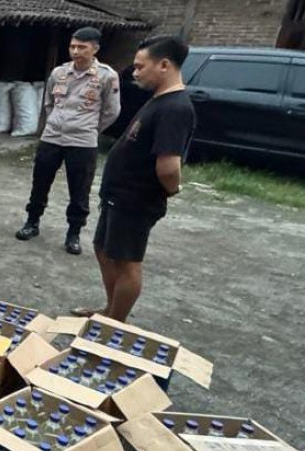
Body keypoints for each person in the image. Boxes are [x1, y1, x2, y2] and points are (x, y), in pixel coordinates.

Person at [73, 35, 196, 322]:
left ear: (164, 65)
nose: (135, 73)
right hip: (118, 195)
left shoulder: (175, 108)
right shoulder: (159, 100)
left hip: (136, 199)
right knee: (103, 249)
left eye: (140, 67)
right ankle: (110, 309)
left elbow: (169, 167)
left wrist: (172, 188)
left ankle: (115, 324)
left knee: (126, 262)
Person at [15, 27, 121, 255]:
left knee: (79, 190)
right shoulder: (59, 73)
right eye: (72, 46)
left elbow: (112, 111)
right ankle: (32, 222)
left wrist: (90, 129)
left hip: (82, 142)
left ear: (95, 48)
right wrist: (54, 122)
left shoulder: (107, 76)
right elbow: (49, 103)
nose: (75, 51)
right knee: (40, 183)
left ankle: (73, 233)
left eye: (82, 47)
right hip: (52, 137)